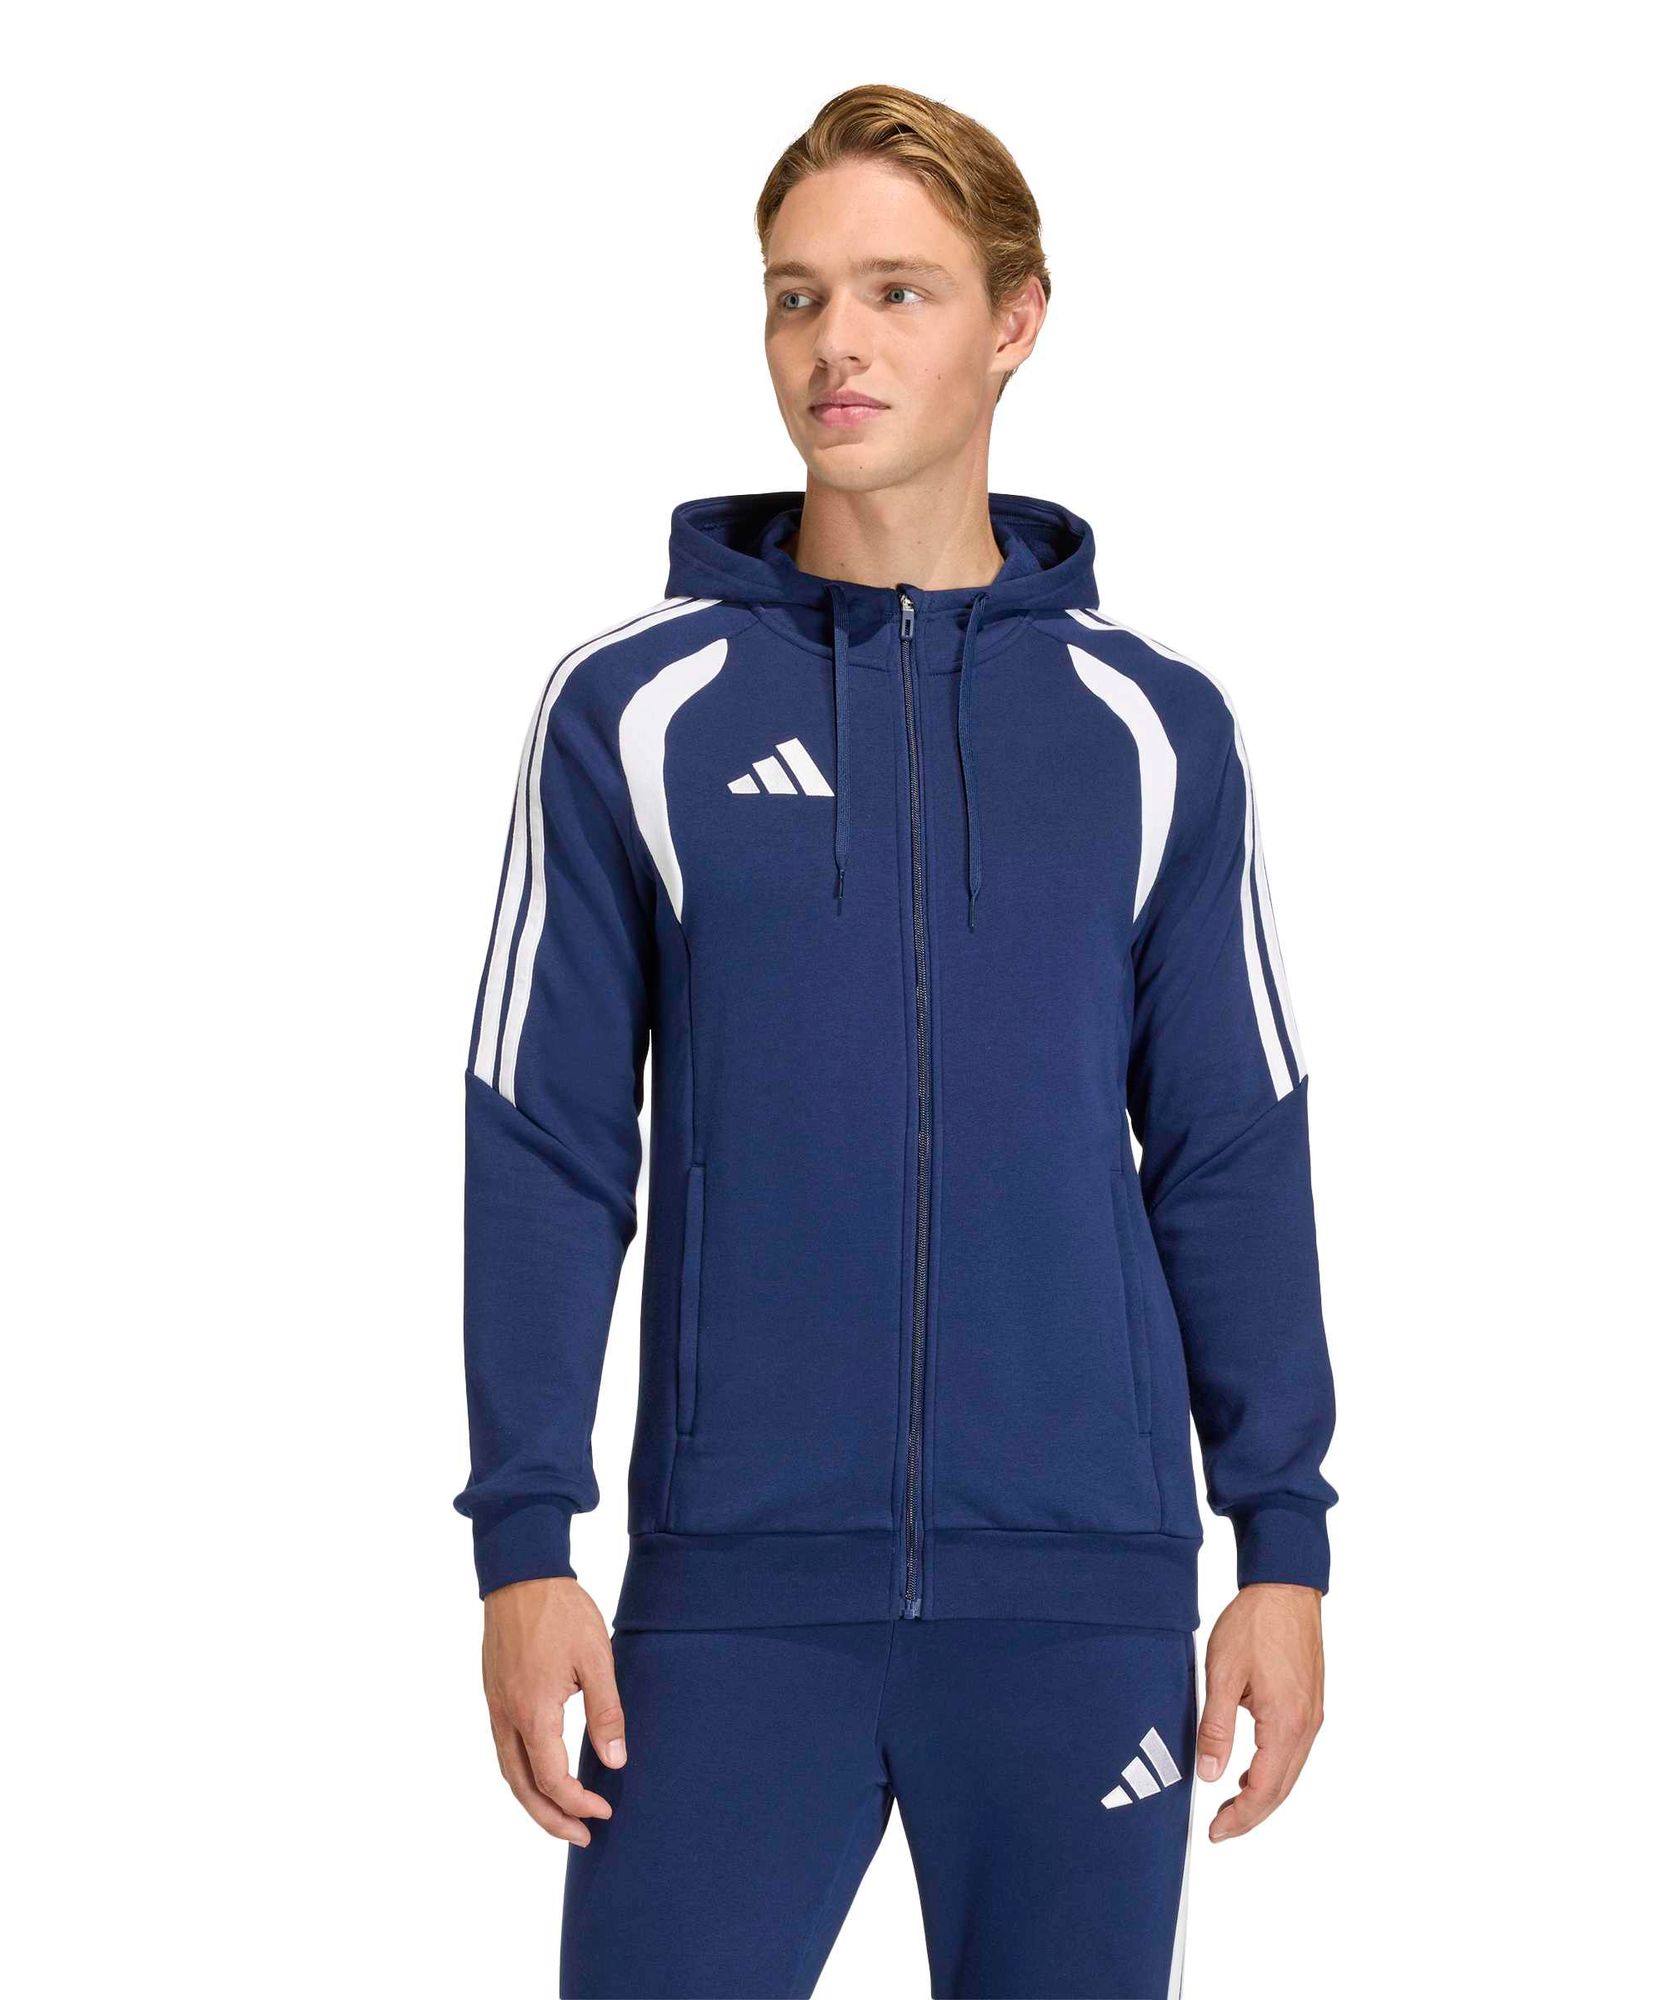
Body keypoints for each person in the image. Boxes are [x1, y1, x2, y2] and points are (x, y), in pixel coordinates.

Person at [457, 82, 1337, 2000]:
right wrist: (523, 1540)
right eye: (796, 296)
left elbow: (1228, 1143)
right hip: (727, 1607)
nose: (834, 345)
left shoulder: (1151, 727)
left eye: (895, 292)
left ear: (1017, 319)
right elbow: (544, 1139)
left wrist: (1282, 1538)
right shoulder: (637, 709)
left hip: (1081, 1607)